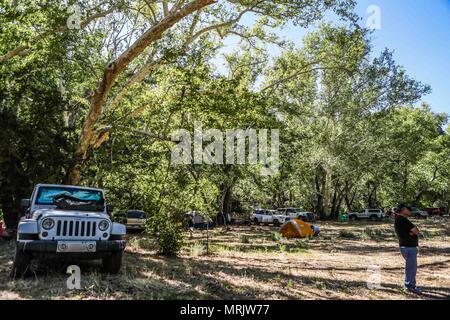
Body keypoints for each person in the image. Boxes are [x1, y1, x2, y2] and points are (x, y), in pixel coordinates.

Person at [394, 204, 421, 294]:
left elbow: (414, 231)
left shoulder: (401, 219)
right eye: (407, 209)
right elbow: (416, 230)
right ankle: (409, 287)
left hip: (407, 246)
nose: (409, 210)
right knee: (411, 268)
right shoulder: (402, 219)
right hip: (408, 247)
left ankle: (410, 285)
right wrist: (412, 232)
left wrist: (412, 232)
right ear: (402, 210)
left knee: (411, 268)